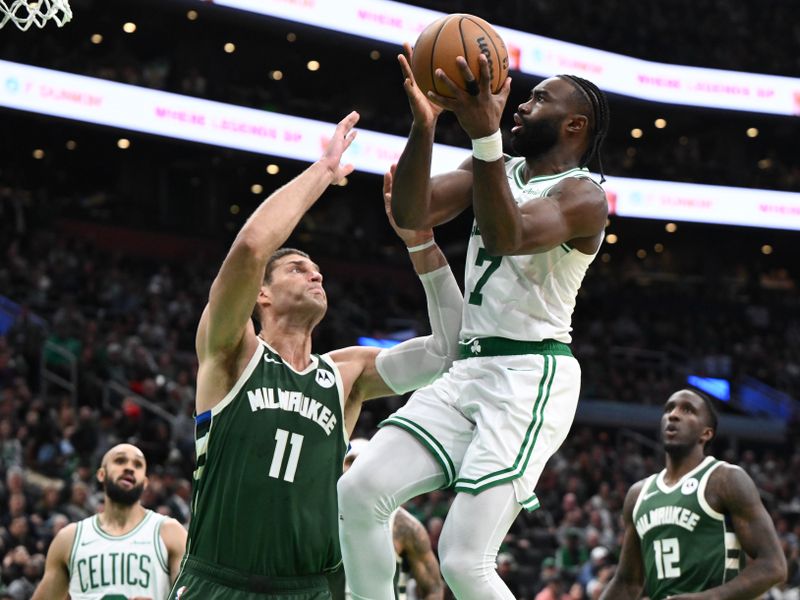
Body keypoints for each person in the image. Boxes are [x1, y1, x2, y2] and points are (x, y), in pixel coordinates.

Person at [338, 43, 610, 599]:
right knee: (359, 490)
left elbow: (510, 235)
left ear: (574, 124)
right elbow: (412, 215)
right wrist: (425, 124)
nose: (520, 105)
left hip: (529, 376)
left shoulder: (584, 195)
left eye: (538, 99)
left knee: (463, 560)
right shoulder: (493, 167)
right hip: (469, 367)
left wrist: (484, 136)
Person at [168, 112, 464, 600]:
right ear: (261, 295)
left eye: (318, 270)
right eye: (298, 269)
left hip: (308, 589)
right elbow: (250, 247)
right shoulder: (231, 350)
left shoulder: (345, 375)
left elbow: (446, 350)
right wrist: (325, 170)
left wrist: (421, 242)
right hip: (218, 582)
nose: (315, 276)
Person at [599, 389, 787, 600]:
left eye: (687, 410)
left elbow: (774, 566)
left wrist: (707, 598)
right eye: (669, 409)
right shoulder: (638, 494)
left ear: (706, 433)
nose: (673, 415)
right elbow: (628, 582)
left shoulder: (725, 480)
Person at [31, 443, 187, 600]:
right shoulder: (69, 538)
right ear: (101, 474)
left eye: (138, 464)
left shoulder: (169, 532)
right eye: (120, 461)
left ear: (145, 483)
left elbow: (191, 595)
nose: (129, 468)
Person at [343, 439, 444, 600]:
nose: (354, 471)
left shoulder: (403, 525)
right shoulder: (323, 517)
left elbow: (433, 588)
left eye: (359, 464)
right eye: (350, 462)